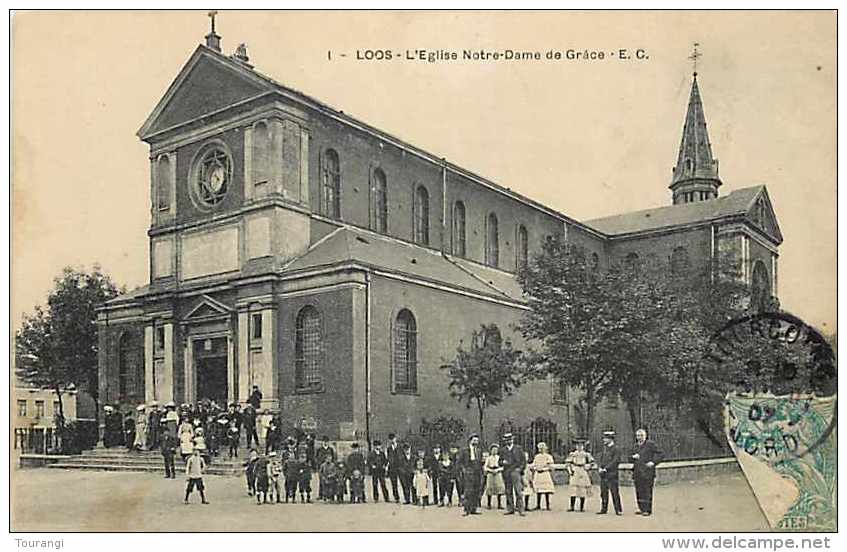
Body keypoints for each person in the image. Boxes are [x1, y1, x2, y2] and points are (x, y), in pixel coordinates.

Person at [631, 428, 663, 516]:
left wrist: (653, 462)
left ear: (645, 436)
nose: (639, 437)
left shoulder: (650, 444)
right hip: (637, 472)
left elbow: (660, 454)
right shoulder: (635, 446)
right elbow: (629, 457)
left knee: (647, 491)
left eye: (641, 435)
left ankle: (647, 510)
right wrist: (633, 457)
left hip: (648, 472)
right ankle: (641, 508)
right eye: (638, 436)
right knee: (639, 491)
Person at [499, 432, 526, 516]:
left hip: (515, 471)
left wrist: (520, 469)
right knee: (508, 491)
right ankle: (510, 508)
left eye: (510, 439)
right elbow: (499, 461)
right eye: (507, 440)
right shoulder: (503, 450)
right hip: (506, 472)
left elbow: (523, 461)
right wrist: (502, 462)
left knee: (518, 491)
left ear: (512, 440)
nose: (508, 441)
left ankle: (520, 509)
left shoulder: (518, 448)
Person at [597, 430, 623, 515]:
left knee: (614, 492)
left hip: (612, 474)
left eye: (605, 438)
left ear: (610, 439)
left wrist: (606, 468)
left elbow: (615, 461)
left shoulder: (616, 449)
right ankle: (604, 508)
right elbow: (601, 459)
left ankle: (618, 509)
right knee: (603, 492)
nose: (604, 440)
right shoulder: (604, 449)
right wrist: (600, 467)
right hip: (603, 474)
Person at [565, 437, 595, 512]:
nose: (579, 447)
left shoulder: (586, 454)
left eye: (581, 445)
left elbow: (592, 463)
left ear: (583, 446)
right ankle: (572, 506)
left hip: (582, 470)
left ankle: (582, 507)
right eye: (577, 445)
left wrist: (587, 467)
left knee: (582, 489)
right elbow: (568, 463)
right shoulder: (573, 454)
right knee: (573, 489)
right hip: (575, 470)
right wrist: (570, 471)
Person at [458, 433, 484, 516]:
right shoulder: (464, 450)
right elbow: (459, 462)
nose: (476, 442)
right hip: (468, 471)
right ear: (470, 441)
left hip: (477, 472)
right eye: (474, 440)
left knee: (476, 490)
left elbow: (480, 462)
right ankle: (466, 509)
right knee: (468, 491)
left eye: (477, 440)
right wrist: (464, 470)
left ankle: (474, 508)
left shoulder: (479, 451)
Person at [531, 441, 556, 511]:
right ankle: (538, 505)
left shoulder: (548, 456)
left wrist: (544, 469)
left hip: (545, 474)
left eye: (542, 448)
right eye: (540, 448)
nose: (541, 449)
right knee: (539, 490)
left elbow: (551, 466)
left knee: (546, 490)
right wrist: (535, 468)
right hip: (538, 474)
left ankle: (547, 505)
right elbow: (534, 464)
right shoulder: (537, 456)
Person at [484, 443, 505, 510]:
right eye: (493, 450)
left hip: (498, 473)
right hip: (490, 473)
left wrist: (498, 470)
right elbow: (485, 467)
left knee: (499, 488)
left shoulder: (499, 458)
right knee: (489, 488)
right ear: (491, 450)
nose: (494, 451)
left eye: (496, 450)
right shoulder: (488, 458)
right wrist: (490, 470)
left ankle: (499, 504)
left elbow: (503, 466)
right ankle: (489, 504)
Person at [385, 433, 403, 503]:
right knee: (394, 483)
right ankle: (396, 497)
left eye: (393, 438)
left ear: (396, 439)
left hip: (400, 467)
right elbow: (388, 458)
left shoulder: (400, 447)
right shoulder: (389, 449)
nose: (392, 440)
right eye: (391, 439)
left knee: (403, 482)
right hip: (392, 468)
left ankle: (407, 496)